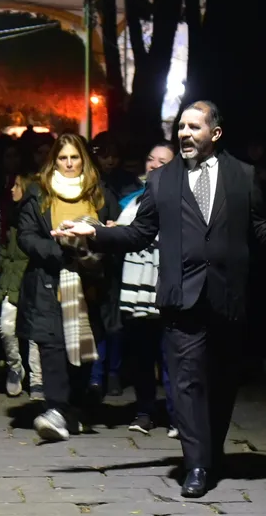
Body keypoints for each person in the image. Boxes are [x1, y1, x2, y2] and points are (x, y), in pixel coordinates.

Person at [55, 101, 266, 497]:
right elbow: (139, 234)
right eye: (181, 127)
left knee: (222, 384)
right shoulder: (162, 181)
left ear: (215, 133)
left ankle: (211, 452)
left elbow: (258, 230)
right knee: (186, 383)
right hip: (181, 300)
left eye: (194, 127)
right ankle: (195, 465)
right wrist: (95, 234)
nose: (185, 134)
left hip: (227, 298)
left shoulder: (242, 176)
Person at [16, 133, 120, 442]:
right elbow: (26, 236)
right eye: (63, 158)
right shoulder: (38, 193)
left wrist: (106, 236)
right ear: (54, 160)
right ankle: (56, 408)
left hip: (90, 285)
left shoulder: (99, 193)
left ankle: (72, 408)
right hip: (50, 281)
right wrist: (58, 249)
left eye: (75, 157)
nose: (70, 163)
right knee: (52, 347)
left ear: (84, 159)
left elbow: (116, 229)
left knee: (82, 349)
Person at [114, 142, 178, 436]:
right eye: (150, 159)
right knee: (142, 356)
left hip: (168, 292)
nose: (153, 164)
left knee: (173, 358)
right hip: (138, 292)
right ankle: (144, 412)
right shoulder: (133, 201)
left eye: (162, 161)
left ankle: (178, 416)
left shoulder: (183, 201)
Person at [0, 174, 42, 398]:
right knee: (6, 328)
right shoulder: (8, 218)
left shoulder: (36, 218)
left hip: (32, 281)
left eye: (17, 185)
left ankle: (37, 378)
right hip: (11, 282)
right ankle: (15, 367)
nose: (12, 189)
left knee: (35, 333)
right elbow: (4, 250)